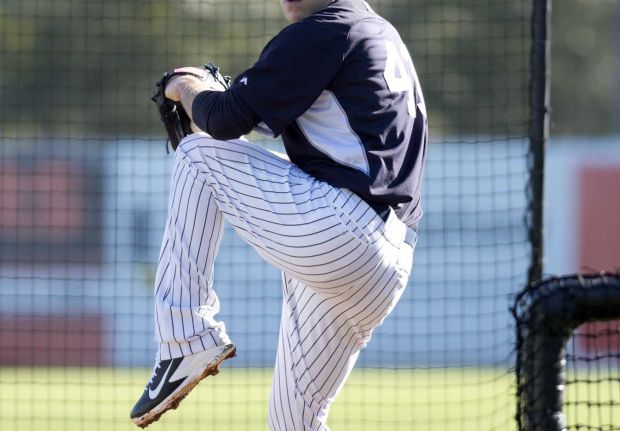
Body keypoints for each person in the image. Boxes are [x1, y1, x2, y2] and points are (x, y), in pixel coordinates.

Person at [129, 0, 427, 429]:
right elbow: (251, 118)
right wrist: (222, 101)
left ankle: (185, 340)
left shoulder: (326, 29)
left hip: (343, 232)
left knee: (197, 155)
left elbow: (225, 119)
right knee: (294, 422)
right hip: (384, 264)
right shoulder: (379, 33)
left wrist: (186, 85)